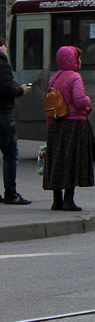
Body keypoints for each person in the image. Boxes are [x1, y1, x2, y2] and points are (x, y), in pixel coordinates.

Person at [42, 46, 94, 211]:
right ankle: (68, 200)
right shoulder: (75, 77)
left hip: (56, 123)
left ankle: (56, 200)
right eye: (78, 58)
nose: (80, 61)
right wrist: (88, 100)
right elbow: (79, 101)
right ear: (73, 60)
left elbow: (50, 102)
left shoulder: (54, 78)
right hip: (73, 124)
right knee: (72, 161)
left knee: (57, 161)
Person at [0, 35, 33, 205]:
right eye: (4, 46)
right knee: (10, 154)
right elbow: (6, 89)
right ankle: (10, 193)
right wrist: (20, 90)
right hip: (3, 114)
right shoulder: (2, 63)